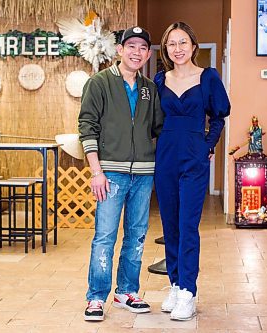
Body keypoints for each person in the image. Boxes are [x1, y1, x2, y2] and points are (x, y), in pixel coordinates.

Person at [78, 26, 164, 321]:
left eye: (142, 48)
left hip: (144, 174)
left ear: (148, 54)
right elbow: (87, 126)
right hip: (110, 174)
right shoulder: (99, 83)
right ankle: (96, 297)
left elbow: (158, 129)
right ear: (119, 50)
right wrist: (96, 172)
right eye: (131, 46)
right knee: (104, 236)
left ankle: (126, 291)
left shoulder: (149, 88)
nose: (136, 52)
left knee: (137, 235)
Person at [153, 22, 230, 321]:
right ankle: (174, 283)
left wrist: (207, 146)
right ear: (166, 50)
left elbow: (220, 117)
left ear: (194, 46)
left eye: (183, 42)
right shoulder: (159, 80)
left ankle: (188, 291)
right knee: (170, 225)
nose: (178, 48)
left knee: (188, 226)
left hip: (194, 161)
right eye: (171, 44)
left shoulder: (208, 77)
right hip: (166, 158)